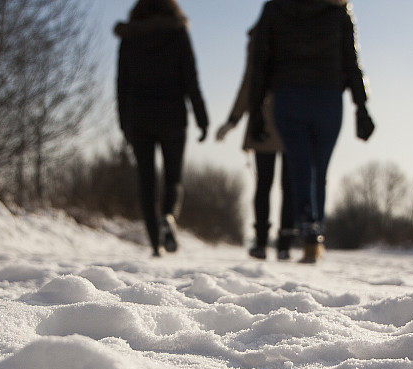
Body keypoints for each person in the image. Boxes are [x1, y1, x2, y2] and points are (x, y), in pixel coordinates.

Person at [250, 0, 374, 263]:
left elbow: (259, 60)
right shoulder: (338, 8)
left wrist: (256, 110)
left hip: (287, 97)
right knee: (319, 169)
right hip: (327, 99)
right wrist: (361, 106)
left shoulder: (275, 7)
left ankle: (308, 228)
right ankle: (315, 233)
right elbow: (352, 59)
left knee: (300, 167)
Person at [115, 0, 209, 257]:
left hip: (138, 116)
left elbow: (121, 83)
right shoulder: (177, 32)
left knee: (146, 179)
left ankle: (155, 243)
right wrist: (202, 117)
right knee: (173, 176)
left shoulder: (130, 35)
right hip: (172, 115)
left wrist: (123, 121)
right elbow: (191, 79)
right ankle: (168, 216)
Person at [216, 27, 294, 261]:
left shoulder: (260, 36)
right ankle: (283, 244)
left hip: (267, 120)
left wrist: (233, 120)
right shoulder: (298, 30)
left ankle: (263, 242)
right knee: (287, 186)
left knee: (265, 184)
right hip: (291, 119)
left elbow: (249, 82)